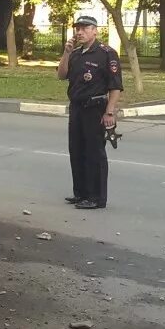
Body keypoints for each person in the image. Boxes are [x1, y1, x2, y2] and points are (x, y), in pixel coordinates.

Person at [56, 15, 124, 209]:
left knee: (94, 153)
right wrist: (66, 53)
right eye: (77, 28)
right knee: (76, 150)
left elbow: (115, 86)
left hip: (95, 109)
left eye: (85, 28)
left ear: (95, 31)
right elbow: (61, 75)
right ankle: (81, 193)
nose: (80, 32)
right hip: (77, 107)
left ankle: (96, 197)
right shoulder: (76, 53)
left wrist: (109, 112)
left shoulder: (106, 53)